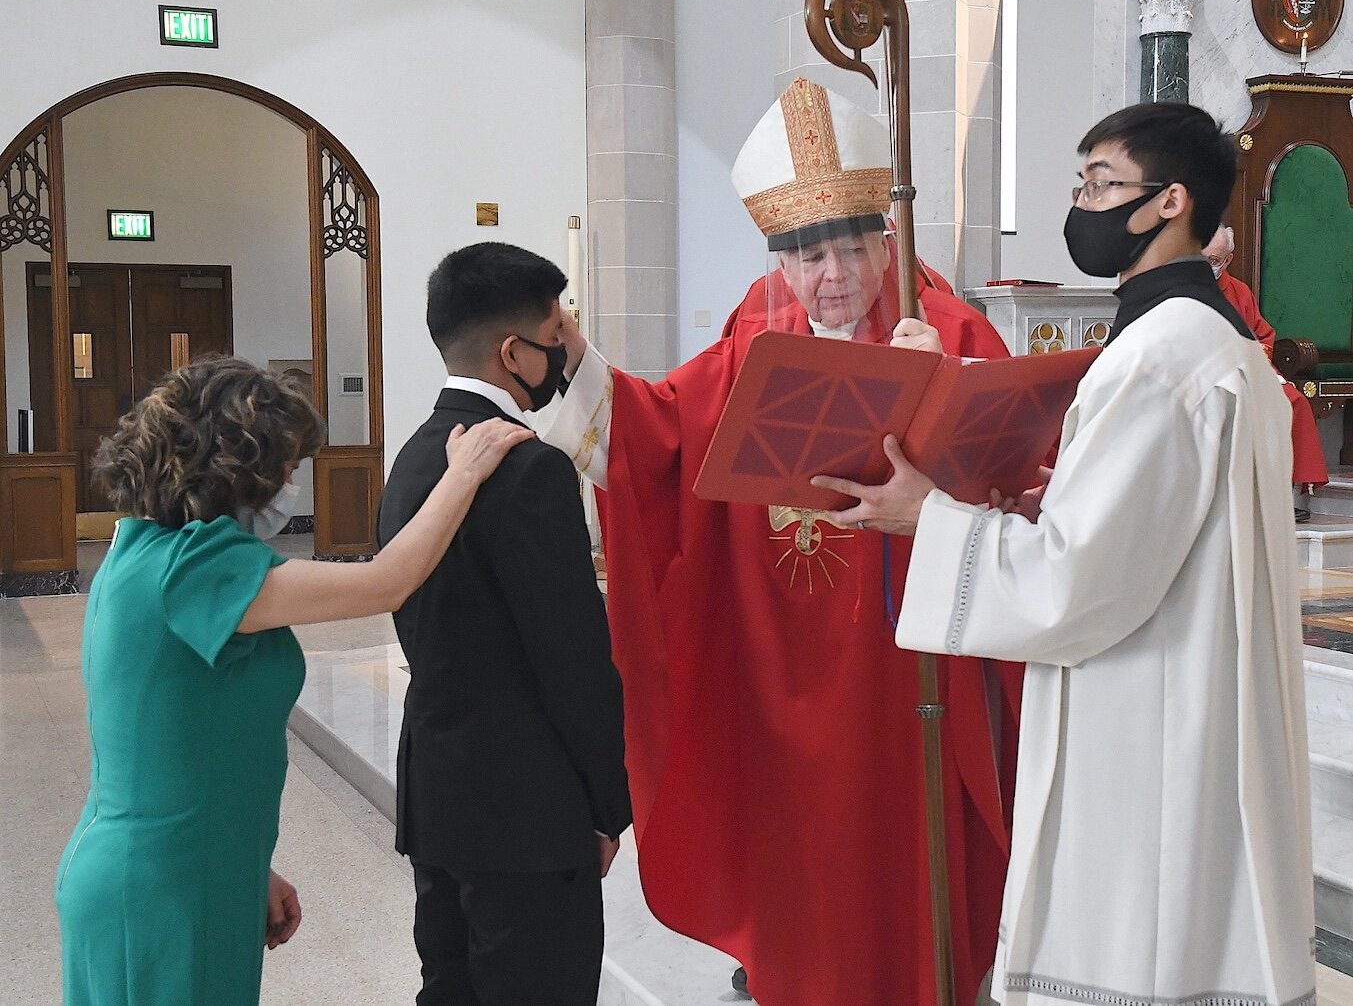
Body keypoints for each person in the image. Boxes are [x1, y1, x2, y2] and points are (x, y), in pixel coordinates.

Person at [813, 102, 1317, 1006]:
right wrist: (1050, 503)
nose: (1081, 202)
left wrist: (929, 516)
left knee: (1139, 939)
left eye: (1099, 183)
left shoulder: (1155, 358)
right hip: (1192, 683)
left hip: (1145, 708)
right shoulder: (1220, 343)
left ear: (1169, 203)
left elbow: (1073, 583)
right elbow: (1157, 528)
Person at [540, 78, 1020, 1006]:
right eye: (805, 256)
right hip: (786, 664)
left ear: (886, 241)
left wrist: (947, 405)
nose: (829, 274)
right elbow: (660, 431)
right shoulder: (754, 337)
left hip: (916, 665)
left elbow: (1015, 473)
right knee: (806, 849)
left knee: (911, 849)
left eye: (846, 247)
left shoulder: (951, 334)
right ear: (779, 261)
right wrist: (571, 354)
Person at [56, 356, 531, 1006]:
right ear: (233, 469)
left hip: (189, 865)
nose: (289, 483)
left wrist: (250, 868)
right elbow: (383, 581)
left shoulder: (143, 548)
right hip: (163, 885)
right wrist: (464, 473)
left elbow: (182, 740)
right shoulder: (194, 569)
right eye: (284, 467)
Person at [377, 242, 632, 1006]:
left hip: (438, 793)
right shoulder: (528, 469)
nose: (562, 358)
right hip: (529, 810)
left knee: (449, 988)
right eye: (556, 340)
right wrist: (605, 804)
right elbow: (572, 658)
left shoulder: (415, 456)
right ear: (513, 352)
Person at [1203, 222, 1329, 519]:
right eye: (1202, 258)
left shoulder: (1239, 291)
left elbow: (1263, 335)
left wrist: (1259, 351)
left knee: (1291, 399)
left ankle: (1281, 495)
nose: (1209, 267)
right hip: (1209, 372)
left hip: (1247, 368)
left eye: (1214, 261)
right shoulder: (1186, 290)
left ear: (1227, 260)